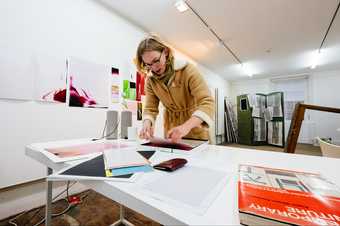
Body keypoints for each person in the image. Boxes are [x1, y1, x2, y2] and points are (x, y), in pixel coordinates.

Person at [136, 35, 214, 143]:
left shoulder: (188, 70)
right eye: (148, 65)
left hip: (195, 131)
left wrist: (185, 127)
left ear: (165, 52)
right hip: (170, 131)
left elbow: (207, 103)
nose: (154, 68)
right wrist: (146, 124)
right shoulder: (150, 81)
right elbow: (150, 108)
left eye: (156, 60)